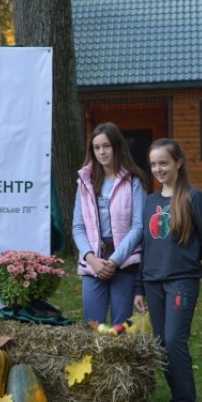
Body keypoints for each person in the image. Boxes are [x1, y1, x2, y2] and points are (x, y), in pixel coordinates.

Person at [134, 138, 202, 402]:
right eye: (154, 164)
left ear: (178, 163)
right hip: (153, 282)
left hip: (181, 282)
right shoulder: (150, 201)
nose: (158, 168)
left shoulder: (194, 198)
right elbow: (145, 247)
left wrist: (185, 260)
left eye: (164, 163)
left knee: (173, 341)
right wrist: (139, 288)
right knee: (161, 344)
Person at [72, 122, 147, 325]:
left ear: (116, 147)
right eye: (97, 148)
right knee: (92, 326)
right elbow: (78, 227)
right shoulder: (85, 182)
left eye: (106, 146)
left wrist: (115, 261)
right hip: (93, 262)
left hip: (124, 261)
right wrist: (91, 259)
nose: (102, 152)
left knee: (121, 328)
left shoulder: (133, 182)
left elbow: (138, 226)